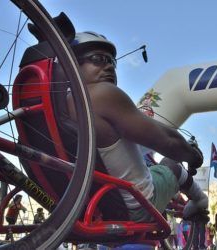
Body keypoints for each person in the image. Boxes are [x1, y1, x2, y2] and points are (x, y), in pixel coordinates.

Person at [67, 32, 208, 222]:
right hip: (136, 207)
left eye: (112, 62)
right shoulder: (103, 94)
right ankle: (200, 201)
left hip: (86, 207)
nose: (109, 65)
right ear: (73, 64)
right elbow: (168, 141)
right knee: (170, 164)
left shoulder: (60, 103)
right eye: (98, 59)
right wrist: (193, 156)